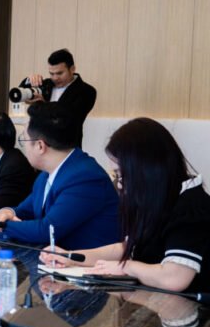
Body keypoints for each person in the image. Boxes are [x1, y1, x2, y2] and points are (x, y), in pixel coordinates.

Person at [41, 118, 210, 304]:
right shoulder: (156, 198)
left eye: (122, 175)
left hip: (193, 312)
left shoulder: (191, 205)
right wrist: (71, 257)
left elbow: (174, 278)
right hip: (160, 305)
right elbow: (126, 248)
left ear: (145, 169)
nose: (120, 185)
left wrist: (126, 267)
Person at [0, 101, 119, 250]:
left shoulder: (85, 178)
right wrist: (7, 212)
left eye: (24, 140)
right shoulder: (47, 174)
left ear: (40, 146)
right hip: (55, 259)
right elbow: (26, 210)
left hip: (88, 263)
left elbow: (47, 230)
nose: (24, 148)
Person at [20, 48, 97, 147]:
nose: (55, 78)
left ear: (72, 69)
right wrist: (29, 80)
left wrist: (42, 105)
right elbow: (20, 93)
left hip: (66, 147)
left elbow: (68, 117)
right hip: (40, 146)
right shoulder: (46, 84)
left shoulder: (86, 91)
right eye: (51, 74)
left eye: (60, 73)